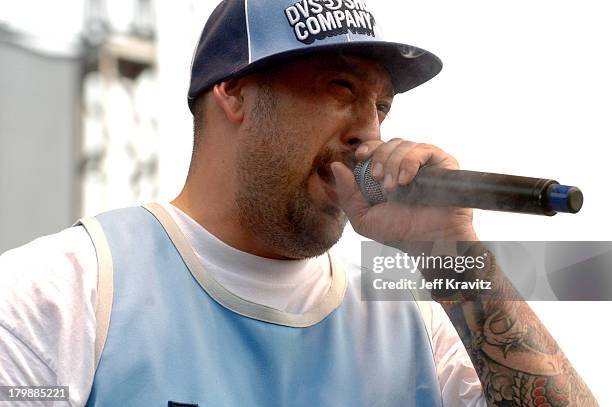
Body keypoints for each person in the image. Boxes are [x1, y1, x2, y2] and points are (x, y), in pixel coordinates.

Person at [0, 0, 599, 406]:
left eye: (382, 106)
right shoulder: (55, 296)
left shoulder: (414, 322)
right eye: (340, 89)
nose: (370, 131)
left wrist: (454, 253)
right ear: (234, 90)